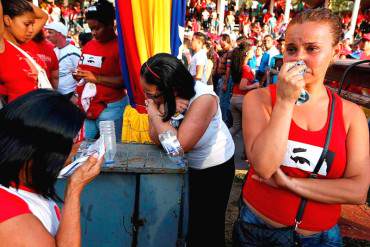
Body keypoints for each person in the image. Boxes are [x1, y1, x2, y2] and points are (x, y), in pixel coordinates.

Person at [234, 8, 369, 246]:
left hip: (320, 237)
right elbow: (264, 167)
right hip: (259, 229)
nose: (299, 58)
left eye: (312, 48)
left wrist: (290, 183)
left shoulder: (351, 115)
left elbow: (357, 190)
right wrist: (285, 102)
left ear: (335, 52)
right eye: (292, 49)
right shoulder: (260, 99)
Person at [141, 53, 235, 247]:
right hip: (187, 168)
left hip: (214, 169)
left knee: (207, 228)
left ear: (170, 88)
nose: (147, 98)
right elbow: (155, 137)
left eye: (150, 94)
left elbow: (177, 147)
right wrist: (161, 110)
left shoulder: (203, 98)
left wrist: (154, 113)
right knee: (186, 222)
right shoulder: (164, 98)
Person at [0, 89, 103, 245]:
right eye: (71, 153)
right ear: (46, 155)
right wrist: (74, 190)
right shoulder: (10, 212)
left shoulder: (24, 188)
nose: (71, 160)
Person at [74, 0, 128, 141]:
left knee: (111, 152)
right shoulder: (89, 45)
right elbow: (84, 70)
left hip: (111, 108)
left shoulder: (120, 47)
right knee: (82, 148)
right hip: (88, 107)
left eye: (97, 28)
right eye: (90, 28)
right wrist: (79, 76)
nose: (93, 33)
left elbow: (125, 81)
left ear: (111, 24)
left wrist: (96, 78)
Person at [0, 0, 49, 103]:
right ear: (7, 20)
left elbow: (43, 16)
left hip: (43, 112)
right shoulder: (2, 46)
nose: (31, 30)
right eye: (27, 24)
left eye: (32, 24)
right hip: (21, 116)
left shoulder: (25, 40)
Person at [229, 41, 257, 137]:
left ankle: (222, 144)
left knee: (236, 127)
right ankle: (248, 151)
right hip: (242, 100)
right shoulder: (246, 68)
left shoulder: (239, 66)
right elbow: (242, 86)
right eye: (252, 51)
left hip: (234, 99)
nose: (254, 53)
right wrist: (255, 85)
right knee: (251, 128)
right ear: (247, 53)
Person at [45, 22, 81, 99]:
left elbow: (81, 75)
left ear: (59, 34)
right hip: (54, 94)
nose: (47, 35)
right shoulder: (53, 49)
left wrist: (76, 96)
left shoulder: (74, 52)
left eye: (50, 32)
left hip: (68, 95)